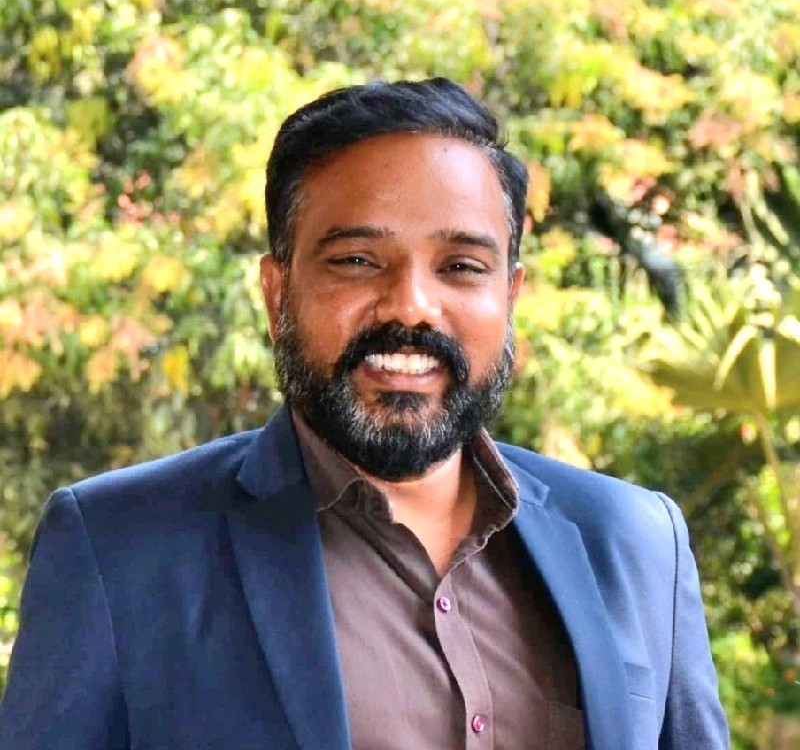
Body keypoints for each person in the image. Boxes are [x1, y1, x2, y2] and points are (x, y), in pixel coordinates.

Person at [0, 78, 728, 750]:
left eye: (461, 267)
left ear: (510, 295)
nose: (411, 305)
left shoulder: (635, 541)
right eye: (356, 261)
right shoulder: (119, 550)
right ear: (277, 294)